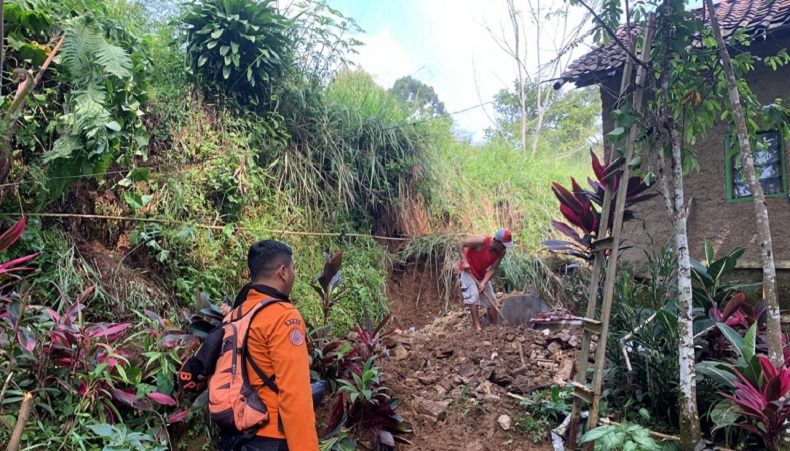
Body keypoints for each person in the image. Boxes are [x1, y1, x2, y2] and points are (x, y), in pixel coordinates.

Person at [223, 240, 318, 451]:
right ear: (283, 272)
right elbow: (295, 396)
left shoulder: (234, 316)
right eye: (293, 268)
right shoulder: (284, 317)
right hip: (271, 436)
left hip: (236, 435)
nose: (294, 274)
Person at [456, 229, 515, 331]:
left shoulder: (502, 252)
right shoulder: (482, 241)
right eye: (504, 245)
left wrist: (483, 282)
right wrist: (464, 261)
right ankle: (477, 326)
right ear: (497, 241)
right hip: (468, 271)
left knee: (491, 298)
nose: (505, 247)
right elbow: (460, 244)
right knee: (473, 295)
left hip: (481, 274)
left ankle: (495, 326)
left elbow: (493, 269)